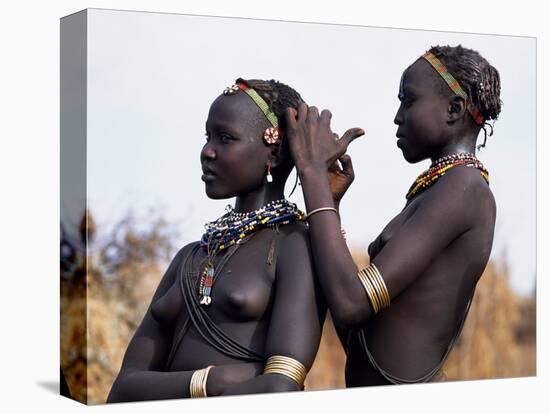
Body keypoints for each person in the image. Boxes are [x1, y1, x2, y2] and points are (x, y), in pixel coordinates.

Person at [285, 45, 501, 386]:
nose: (397, 116)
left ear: (454, 108)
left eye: (409, 100)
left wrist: (311, 175)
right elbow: (358, 328)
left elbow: (349, 303)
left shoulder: (465, 190)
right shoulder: (440, 190)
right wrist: (330, 205)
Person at [107, 78, 326, 402]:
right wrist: (212, 380)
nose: (207, 152)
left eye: (225, 138)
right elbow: (123, 389)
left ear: (275, 153)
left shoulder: (295, 246)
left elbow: (281, 386)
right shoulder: (189, 257)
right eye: (207, 137)